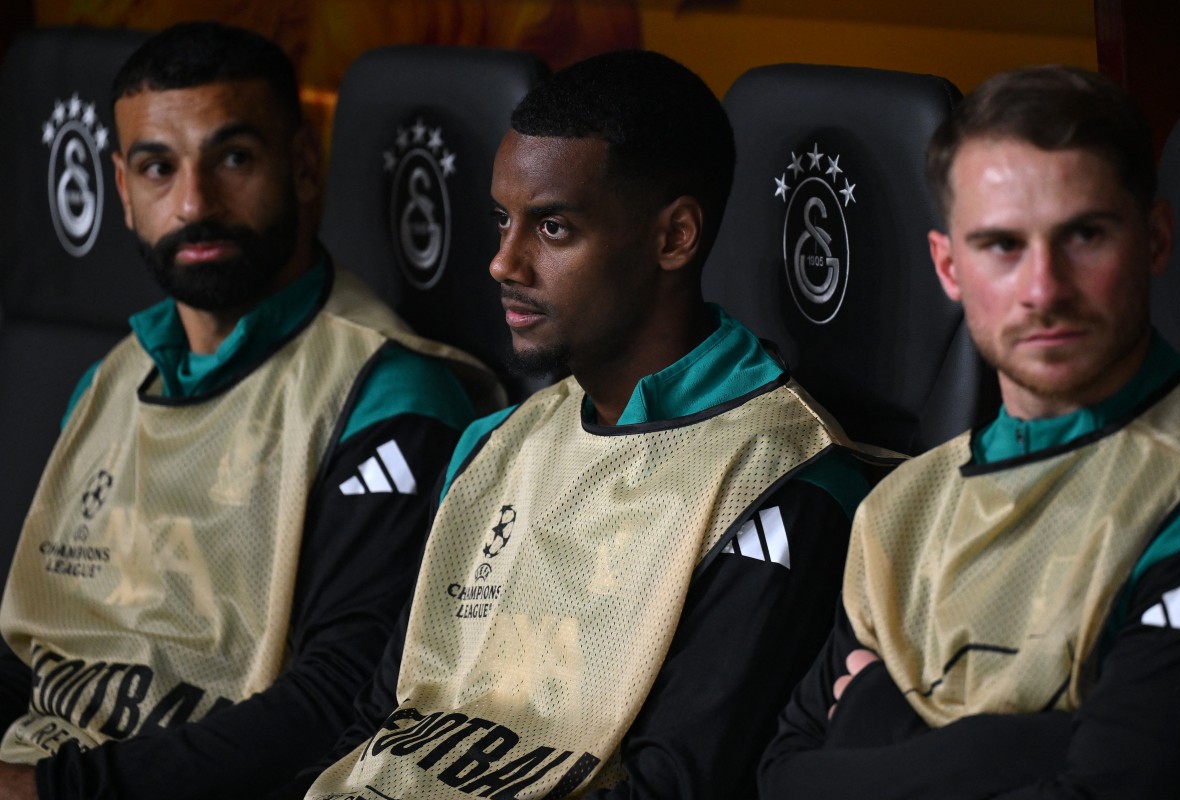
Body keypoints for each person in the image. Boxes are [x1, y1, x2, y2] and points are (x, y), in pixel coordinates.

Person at [290, 49, 892, 800]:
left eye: (552, 228)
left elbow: (674, 786)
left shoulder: (782, 484)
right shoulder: (494, 443)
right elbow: (377, 724)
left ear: (674, 238)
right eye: (502, 221)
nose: (503, 263)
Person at [0, 21, 501, 800]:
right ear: (122, 191)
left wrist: (52, 790)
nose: (194, 202)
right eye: (157, 168)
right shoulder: (110, 379)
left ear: (301, 167)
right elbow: (37, 645)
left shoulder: (387, 395)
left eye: (233, 158)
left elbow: (339, 703)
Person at [759, 65, 1180, 798]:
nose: (1043, 289)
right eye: (1001, 245)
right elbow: (781, 780)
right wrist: (1016, 748)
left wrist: (874, 721)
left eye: (1085, 235)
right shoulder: (899, 510)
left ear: (1155, 240)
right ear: (949, 266)